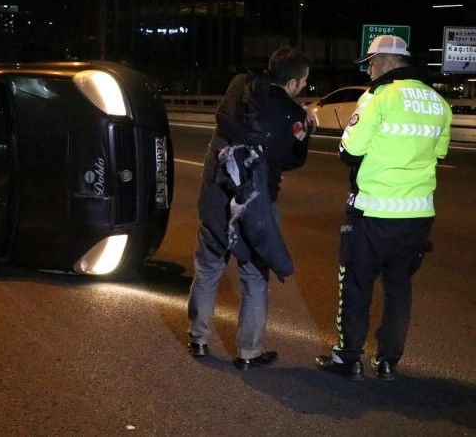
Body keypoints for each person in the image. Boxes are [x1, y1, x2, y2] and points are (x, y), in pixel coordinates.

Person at [316, 35, 452, 381]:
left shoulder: (378, 97)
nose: (369, 72)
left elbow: (348, 152)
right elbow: (438, 154)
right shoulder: (439, 102)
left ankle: (348, 359)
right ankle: (389, 360)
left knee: (357, 284)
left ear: (389, 63)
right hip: (417, 215)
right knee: (399, 286)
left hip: (373, 211)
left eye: (372, 64)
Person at [187, 47, 314, 370]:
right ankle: (248, 352)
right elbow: (293, 159)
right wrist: (307, 126)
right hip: (257, 202)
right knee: (255, 277)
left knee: (208, 268)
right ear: (296, 81)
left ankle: (198, 339)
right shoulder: (294, 114)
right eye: (305, 81)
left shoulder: (240, 93)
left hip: (218, 193)